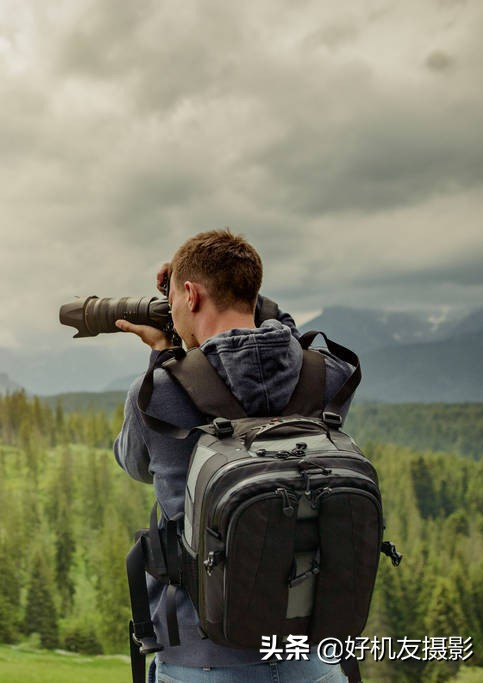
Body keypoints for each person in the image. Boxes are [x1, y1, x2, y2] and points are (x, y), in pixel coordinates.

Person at [113, 229, 353, 683]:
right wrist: (252, 296)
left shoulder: (158, 394)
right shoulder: (327, 375)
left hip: (201, 657)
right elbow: (281, 346)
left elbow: (135, 463)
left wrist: (162, 359)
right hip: (311, 654)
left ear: (188, 294)